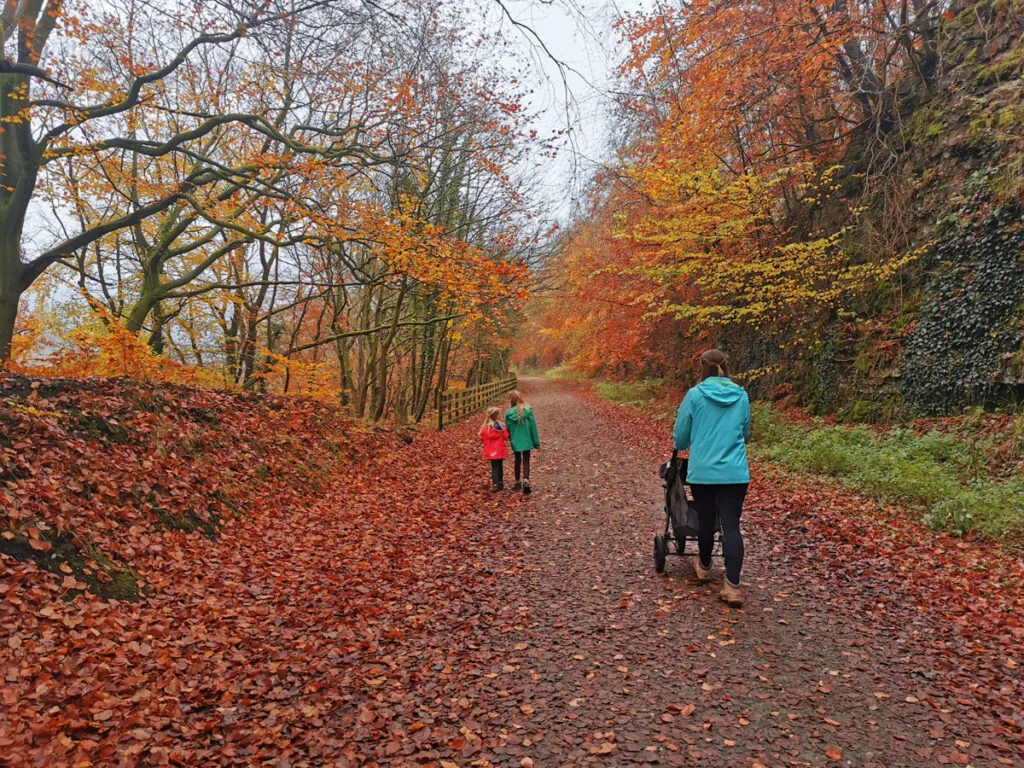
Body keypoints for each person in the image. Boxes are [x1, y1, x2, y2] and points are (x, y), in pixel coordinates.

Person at [673, 349, 751, 607]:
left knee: (706, 519)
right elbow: (746, 432)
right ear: (726, 367)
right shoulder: (741, 395)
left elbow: (681, 437)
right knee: (731, 525)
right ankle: (733, 587)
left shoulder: (695, 395)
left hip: (704, 472)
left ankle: (705, 566)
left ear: (702, 367)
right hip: (735, 472)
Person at [505, 390, 540, 494]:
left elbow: (508, 430)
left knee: (517, 460)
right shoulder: (528, 411)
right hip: (527, 439)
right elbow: (533, 427)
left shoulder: (508, 414)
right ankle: (525, 480)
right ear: (521, 398)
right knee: (526, 460)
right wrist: (536, 442)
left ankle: (517, 481)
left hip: (515, 440)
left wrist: (510, 438)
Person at [480, 407, 510, 492]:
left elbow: (482, 438)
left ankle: (495, 483)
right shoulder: (500, 426)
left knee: (494, 467)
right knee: (499, 466)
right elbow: (506, 436)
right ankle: (500, 482)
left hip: (490, 450)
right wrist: (506, 430)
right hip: (499, 449)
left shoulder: (485, 428)